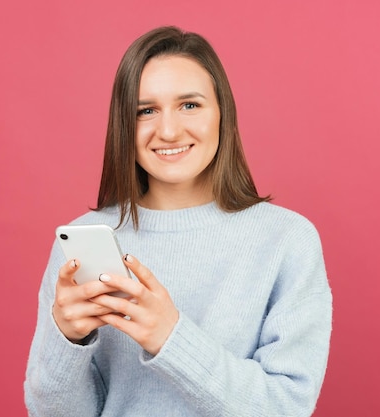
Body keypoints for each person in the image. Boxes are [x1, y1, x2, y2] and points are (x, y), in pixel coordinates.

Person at [24, 26, 332, 417]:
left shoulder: (287, 240)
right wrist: (66, 341)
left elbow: (285, 408)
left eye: (190, 105)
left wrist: (170, 337)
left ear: (223, 113)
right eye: (146, 110)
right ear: (124, 126)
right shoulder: (81, 242)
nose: (168, 130)